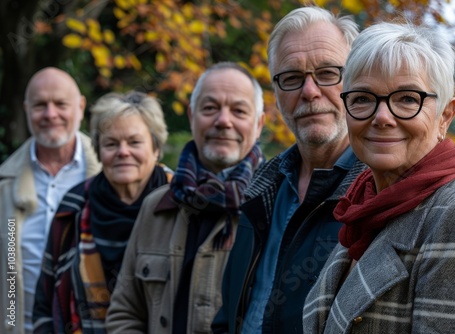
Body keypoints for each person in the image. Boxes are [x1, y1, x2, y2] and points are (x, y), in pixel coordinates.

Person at [303, 20, 455, 334]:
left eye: (408, 99)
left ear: (444, 117)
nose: (382, 117)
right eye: (363, 99)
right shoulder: (362, 211)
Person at [212, 6, 366, 334]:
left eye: (327, 73)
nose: (309, 91)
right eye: (292, 78)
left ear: (356, 82)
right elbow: (231, 310)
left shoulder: (376, 194)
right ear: (276, 93)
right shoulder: (262, 186)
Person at [105, 61, 266, 333]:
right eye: (210, 108)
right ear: (192, 116)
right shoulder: (155, 207)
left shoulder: (273, 209)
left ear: (259, 124)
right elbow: (124, 313)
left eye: (238, 111)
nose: (223, 121)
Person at [32, 90, 173, 333]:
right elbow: (44, 301)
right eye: (111, 143)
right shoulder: (74, 207)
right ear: (98, 150)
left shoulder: (181, 201)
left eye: (135, 142)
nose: (123, 152)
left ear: (156, 148)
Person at [0, 67, 101, 334]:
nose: (50, 114)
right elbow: (8, 270)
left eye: (60, 104)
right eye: (40, 105)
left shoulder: (109, 174)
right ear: (26, 109)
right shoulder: (4, 185)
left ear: (80, 106)